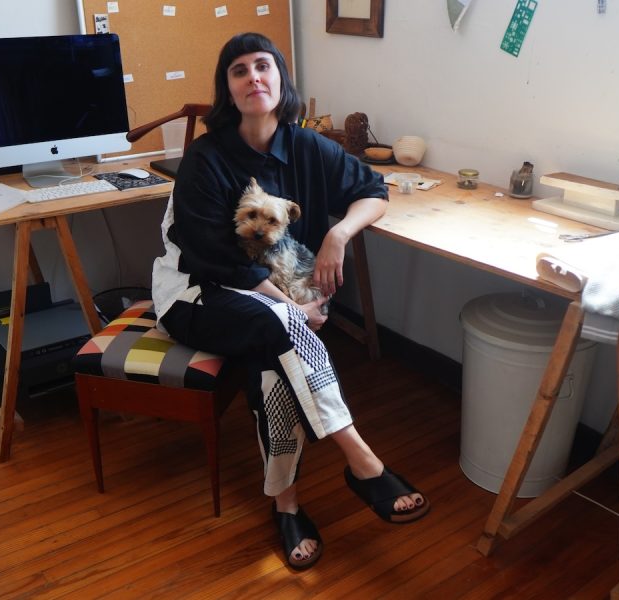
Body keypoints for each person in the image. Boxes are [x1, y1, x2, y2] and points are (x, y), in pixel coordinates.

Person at [152, 32, 430, 570]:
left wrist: (338, 236)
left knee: (271, 368)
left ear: (281, 79)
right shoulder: (204, 159)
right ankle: (361, 459)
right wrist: (292, 307)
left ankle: (286, 505)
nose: (253, 77)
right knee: (279, 326)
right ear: (227, 88)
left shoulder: (307, 147)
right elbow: (214, 258)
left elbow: (374, 191)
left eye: (263, 66)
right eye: (239, 70)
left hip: (275, 303)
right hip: (195, 293)